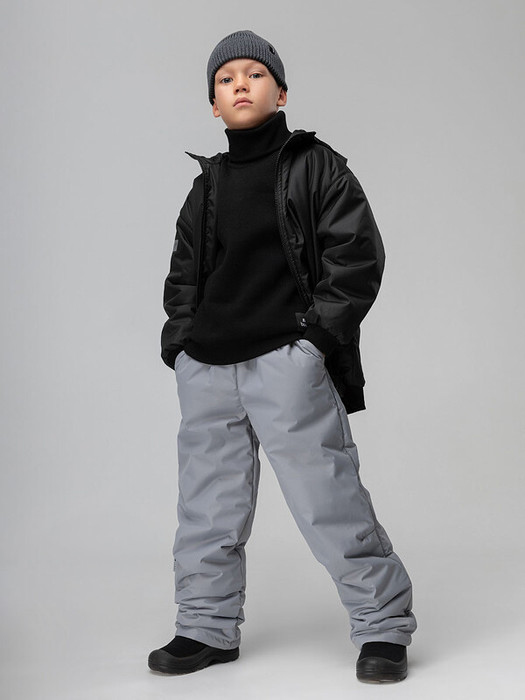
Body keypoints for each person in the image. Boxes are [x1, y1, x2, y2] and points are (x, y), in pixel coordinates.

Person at [148, 29, 417, 683]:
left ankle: (382, 627)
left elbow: (357, 255)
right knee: (206, 507)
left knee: (327, 497)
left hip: (286, 362)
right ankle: (205, 627)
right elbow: (184, 271)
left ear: (282, 93)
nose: (240, 83)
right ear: (213, 104)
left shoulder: (316, 165)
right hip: (208, 366)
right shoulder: (206, 185)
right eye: (225, 78)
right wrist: (180, 345)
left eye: (254, 73)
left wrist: (316, 342)